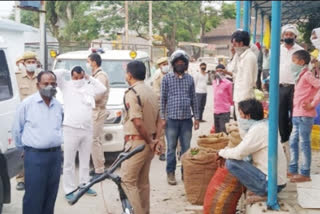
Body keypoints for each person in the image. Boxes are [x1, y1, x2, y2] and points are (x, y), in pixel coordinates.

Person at [12, 71, 63, 214]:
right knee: (34, 196)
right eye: (45, 84)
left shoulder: (58, 105)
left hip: (55, 156)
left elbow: (59, 127)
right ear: (37, 85)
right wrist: (24, 150)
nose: (50, 86)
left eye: (53, 84)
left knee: (50, 196)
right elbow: (17, 129)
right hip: (35, 156)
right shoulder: (27, 104)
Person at [218, 99, 287, 204]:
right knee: (243, 159)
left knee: (231, 163)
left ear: (248, 116)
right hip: (277, 181)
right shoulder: (266, 125)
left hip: (272, 184)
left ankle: (264, 193)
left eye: (241, 114)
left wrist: (221, 152)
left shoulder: (258, 130)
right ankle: (262, 190)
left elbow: (239, 153)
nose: (240, 118)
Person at [54, 66, 106, 201]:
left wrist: (89, 78)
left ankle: (85, 184)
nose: (77, 80)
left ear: (84, 76)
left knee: (85, 160)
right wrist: (66, 70)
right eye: (75, 77)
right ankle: (69, 190)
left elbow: (102, 89)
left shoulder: (88, 86)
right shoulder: (66, 86)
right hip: (70, 128)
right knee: (69, 161)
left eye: (80, 77)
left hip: (87, 128)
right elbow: (56, 75)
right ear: (71, 77)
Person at [121, 60, 161, 214]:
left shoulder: (132, 93)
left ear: (129, 75)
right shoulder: (150, 91)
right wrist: (155, 140)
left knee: (127, 181)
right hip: (148, 143)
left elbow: (137, 121)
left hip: (137, 142)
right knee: (142, 183)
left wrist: (151, 141)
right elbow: (160, 120)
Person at [160, 50, 200, 185]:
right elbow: (163, 100)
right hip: (171, 119)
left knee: (186, 148)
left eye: (182, 63)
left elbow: (194, 99)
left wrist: (197, 118)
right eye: (177, 63)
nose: (180, 65)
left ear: (186, 64)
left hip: (186, 120)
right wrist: (162, 118)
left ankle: (186, 173)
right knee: (171, 148)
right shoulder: (166, 79)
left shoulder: (189, 79)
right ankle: (170, 174)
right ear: (173, 64)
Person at [287, 50, 320, 182]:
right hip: (297, 114)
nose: (292, 64)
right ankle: (293, 169)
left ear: (301, 62)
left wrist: (313, 104)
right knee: (293, 141)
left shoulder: (307, 75)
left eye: (294, 61)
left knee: (304, 143)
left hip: (305, 115)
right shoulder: (299, 76)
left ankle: (305, 172)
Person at [14, 51, 39, 191]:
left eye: (33, 62)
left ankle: (34, 177)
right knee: (21, 149)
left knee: (35, 148)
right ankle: (21, 178)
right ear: (23, 64)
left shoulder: (40, 78)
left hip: (36, 117)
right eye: (28, 62)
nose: (31, 64)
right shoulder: (17, 77)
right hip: (22, 118)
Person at [279, 24, 303, 156]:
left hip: (296, 87)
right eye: (286, 35)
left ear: (295, 36)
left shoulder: (299, 51)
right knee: (281, 114)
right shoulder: (277, 50)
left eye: (291, 35)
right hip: (281, 86)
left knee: (295, 114)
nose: (288, 37)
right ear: (283, 36)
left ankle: (293, 139)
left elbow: (306, 68)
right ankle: (284, 140)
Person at [86, 53, 110, 178]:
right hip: (94, 111)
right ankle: (98, 167)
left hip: (98, 110)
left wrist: (85, 98)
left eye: (88, 61)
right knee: (95, 140)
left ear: (94, 62)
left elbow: (99, 94)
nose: (87, 64)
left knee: (94, 140)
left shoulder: (101, 76)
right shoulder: (95, 75)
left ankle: (99, 170)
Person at [231, 30, 258, 136]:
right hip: (239, 97)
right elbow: (232, 69)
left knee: (246, 130)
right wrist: (234, 55)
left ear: (240, 43)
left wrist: (244, 104)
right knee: (242, 129)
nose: (233, 47)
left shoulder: (249, 57)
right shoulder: (240, 56)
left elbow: (248, 80)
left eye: (234, 44)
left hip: (244, 99)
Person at [152, 57, 169, 161]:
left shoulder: (171, 73)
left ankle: (178, 150)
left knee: (173, 128)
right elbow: (156, 93)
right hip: (162, 105)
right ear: (160, 66)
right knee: (161, 129)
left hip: (172, 105)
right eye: (164, 64)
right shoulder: (158, 76)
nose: (166, 66)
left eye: (167, 63)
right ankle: (162, 151)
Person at [213, 64, 233, 133]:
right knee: (217, 133)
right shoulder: (214, 82)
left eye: (221, 70)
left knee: (224, 132)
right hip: (216, 111)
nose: (219, 72)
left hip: (224, 111)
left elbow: (230, 96)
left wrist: (229, 105)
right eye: (217, 71)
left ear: (224, 71)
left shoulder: (228, 83)